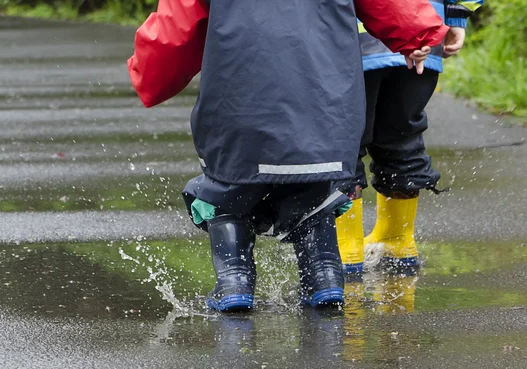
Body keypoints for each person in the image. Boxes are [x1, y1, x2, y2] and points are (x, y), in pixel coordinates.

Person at [129, 0, 449, 312]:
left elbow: (174, 29)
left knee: (228, 188)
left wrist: (147, 75)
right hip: (323, 101)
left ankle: (234, 283)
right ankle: (324, 278)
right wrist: (417, 34)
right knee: (314, 191)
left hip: (239, 98)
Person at [336, 0, 484, 274]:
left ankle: (346, 248)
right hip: (423, 30)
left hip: (351, 37)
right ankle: (398, 240)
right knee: (402, 135)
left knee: (343, 142)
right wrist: (456, 16)